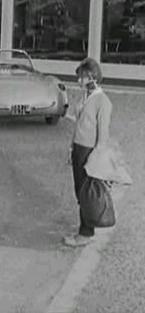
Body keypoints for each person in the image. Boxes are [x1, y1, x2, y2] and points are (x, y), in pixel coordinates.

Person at [62, 57, 112, 247]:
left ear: (92, 77)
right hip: (79, 148)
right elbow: (78, 125)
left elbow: (103, 135)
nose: (78, 81)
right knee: (79, 191)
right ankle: (85, 226)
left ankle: (85, 233)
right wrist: (71, 147)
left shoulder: (103, 102)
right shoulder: (85, 97)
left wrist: (96, 158)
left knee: (86, 193)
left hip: (90, 151)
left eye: (81, 78)